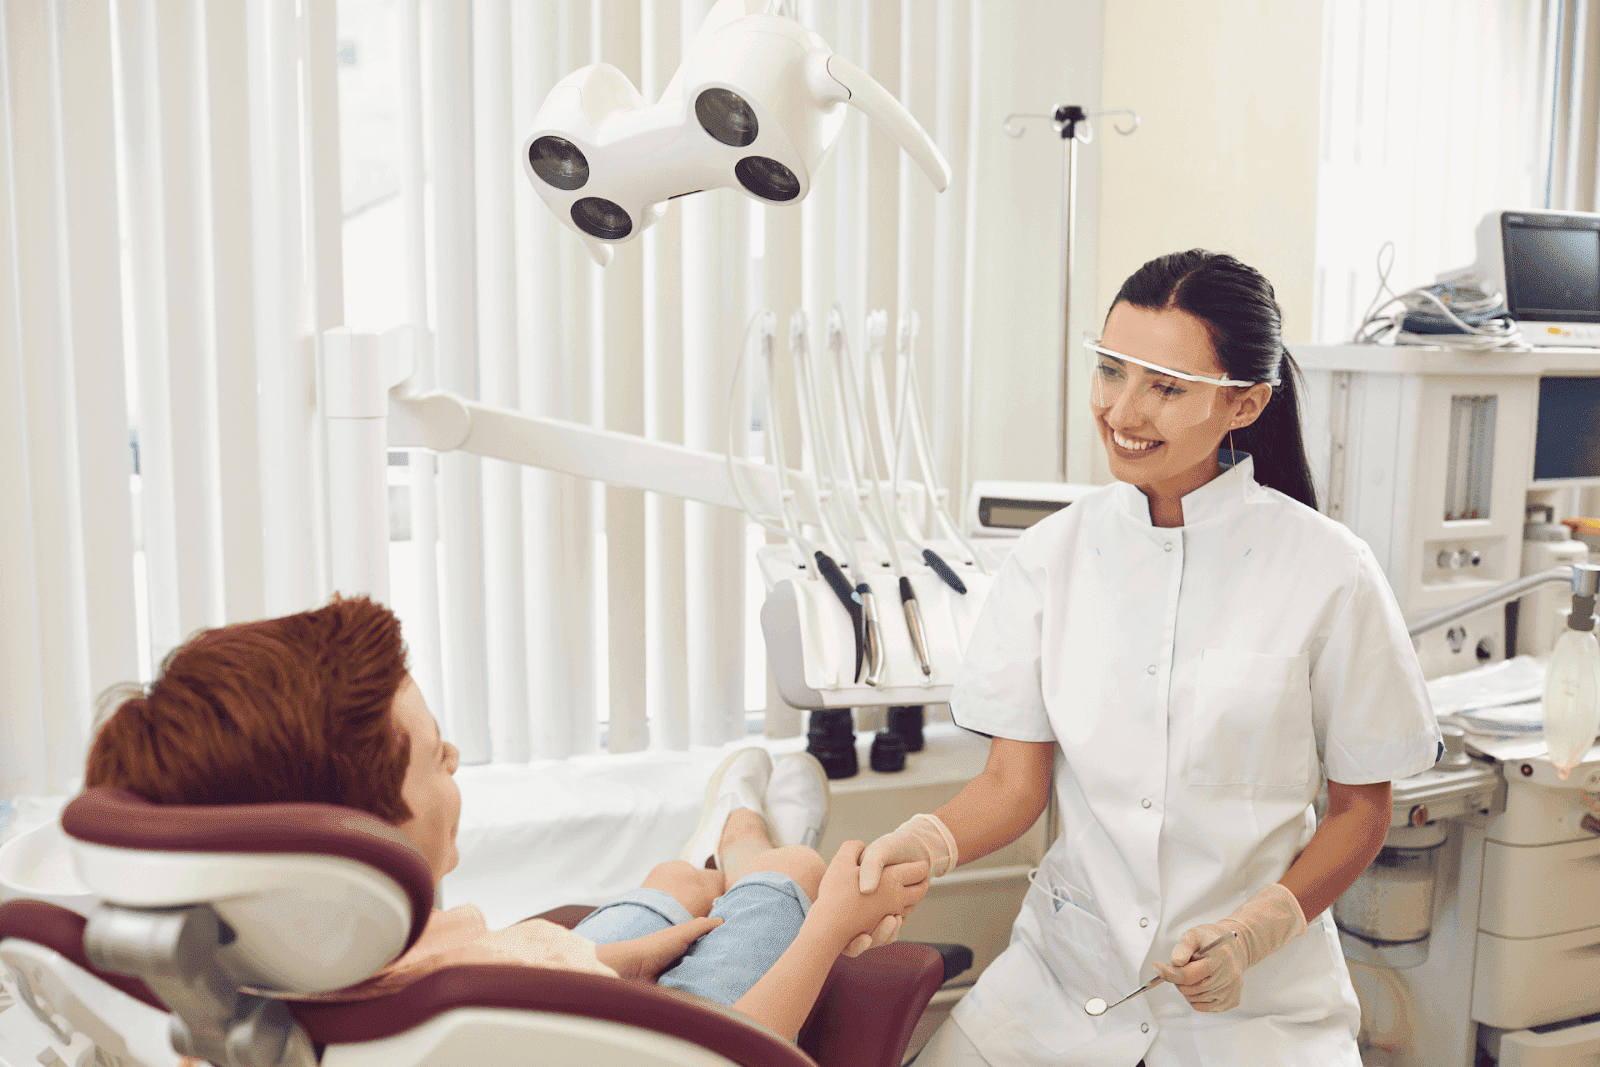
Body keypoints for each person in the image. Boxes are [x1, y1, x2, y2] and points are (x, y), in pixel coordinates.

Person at [855, 250, 1441, 1066]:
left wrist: (1256, 927)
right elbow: (1011, 787)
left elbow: (1360, 810)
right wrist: (920, 843)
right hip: (1060, 988)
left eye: (1166, 386)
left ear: (1244, 403)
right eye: (1110, 371)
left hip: (1258, 1011)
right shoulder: (1050, 559)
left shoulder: (1328, 570)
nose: (1122, 410)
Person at [83, 597, 929, 1046]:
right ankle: (757, 836)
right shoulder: (454, 1023)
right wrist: (830, 926)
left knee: (672, 885)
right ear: (352, 840)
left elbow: (493, 965)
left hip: (553, 969)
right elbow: (734, 1055)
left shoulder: (249, 976)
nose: (454, 757)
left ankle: (718, 844)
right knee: (794, 879)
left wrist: (599, 961)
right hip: (598, 1022)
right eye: (431, 756)